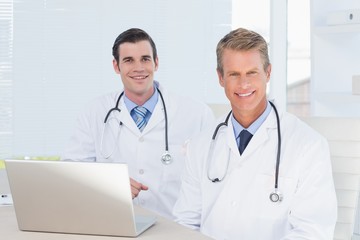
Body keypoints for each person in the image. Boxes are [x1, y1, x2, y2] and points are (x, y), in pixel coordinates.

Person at [173, 28, 337, 239]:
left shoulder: (309, 146)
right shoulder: (201, 144)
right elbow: (186, 223)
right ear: (220, 77)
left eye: (252, 72)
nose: (244, 84)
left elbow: (312, 232)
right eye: (234, 74)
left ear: (267, 73)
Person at [62, 28, 215, 219]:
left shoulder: (196, 113)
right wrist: (109, 184)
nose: (139, 68)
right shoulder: (94, 112)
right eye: (128, 60)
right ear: (116, 66)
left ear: (156, 63)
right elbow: (70, 173)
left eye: (145, 59)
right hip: (114, 223)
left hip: (175, 227)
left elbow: (213, 179)